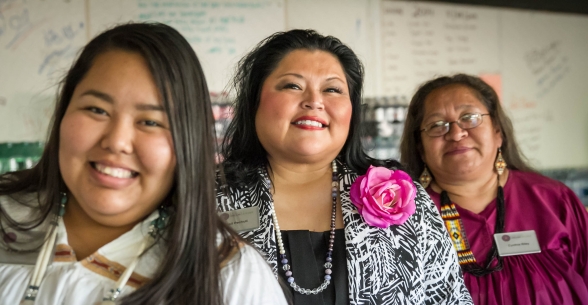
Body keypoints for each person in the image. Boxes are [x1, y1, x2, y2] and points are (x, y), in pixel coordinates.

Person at [0, 23, 288, 305]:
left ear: (188, 143)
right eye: (96, 110)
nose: (117, 141)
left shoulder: (229, 274)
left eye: (150, 122)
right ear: (64, 113)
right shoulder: (7, 220)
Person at [216, 29, 472, 305]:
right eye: (293, 86)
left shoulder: (403, 197)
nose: (314, 101)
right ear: (255, 102)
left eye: (332, 89)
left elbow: (450, 298)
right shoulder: (207, 199)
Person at [400, 73, 588, 304]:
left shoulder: (554, 200)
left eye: (469, 117)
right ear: (421, 148)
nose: (457, 133)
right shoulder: (406, 219)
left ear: (498, 131)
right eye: (437, 125)